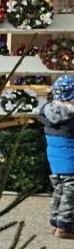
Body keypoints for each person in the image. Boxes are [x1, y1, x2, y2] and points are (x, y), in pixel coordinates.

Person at [39, 76, 74, 237]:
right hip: (70, 160)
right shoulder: (70, 116)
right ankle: (64, 227)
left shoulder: (48, 112)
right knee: (70, 193)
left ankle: (54, 223)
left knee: (58, 190)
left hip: (55, 161)